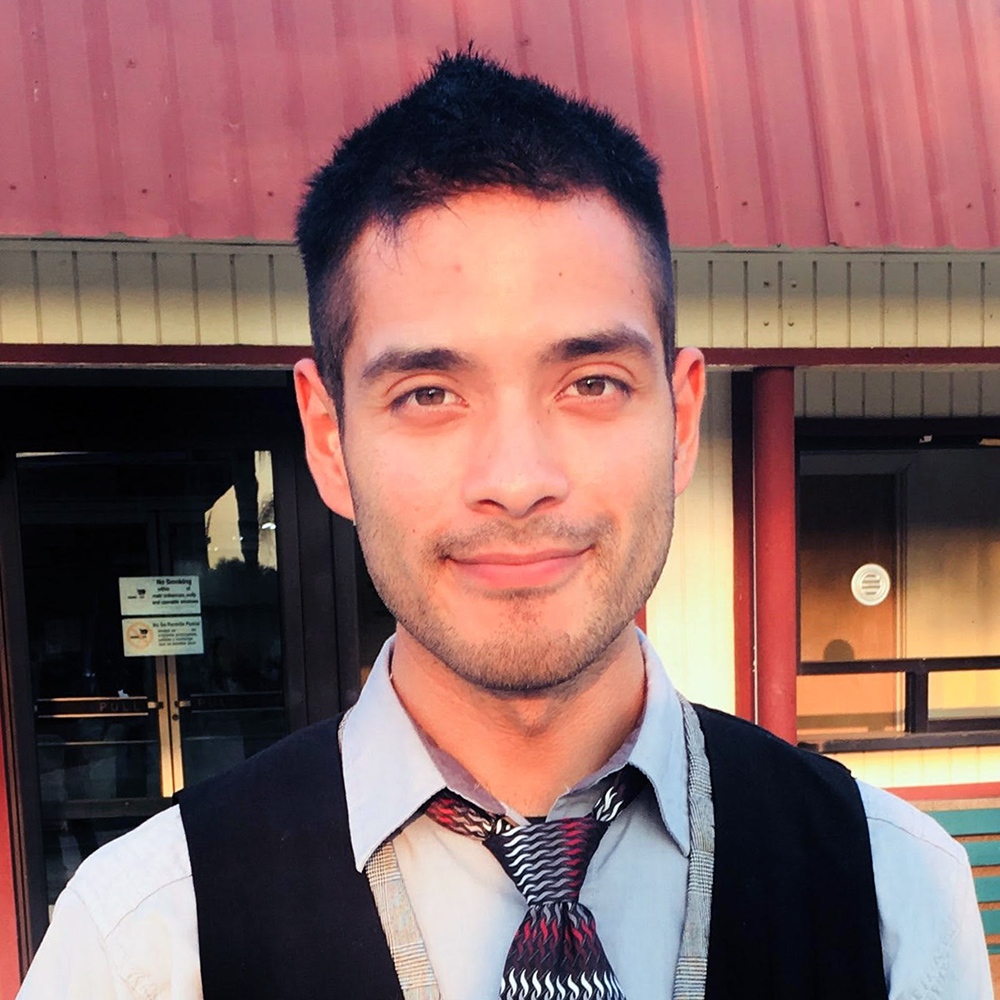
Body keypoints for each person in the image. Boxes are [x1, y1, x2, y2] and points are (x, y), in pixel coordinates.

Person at [18, 52, 992, 1000]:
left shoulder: (889, 888)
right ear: (326, 438)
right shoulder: (147, 936)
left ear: (681, 417)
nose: (517, 481)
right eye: (429, 392)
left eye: (591, 382)